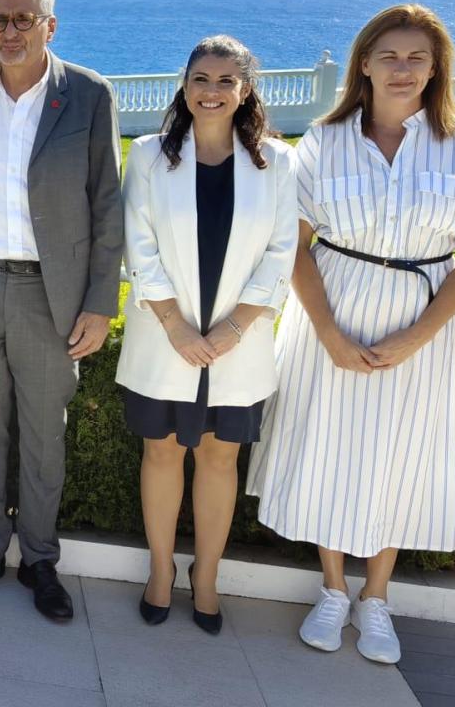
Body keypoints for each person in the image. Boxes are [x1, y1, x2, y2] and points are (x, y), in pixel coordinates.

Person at [246, 4, 455, 664]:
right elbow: (294, 246)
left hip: (426, 321)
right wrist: (328, 332)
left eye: (418, 57)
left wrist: (418, 337)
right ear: (364, 62)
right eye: (389, 55)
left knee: (400, 455)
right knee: (329, 447)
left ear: (436, 67)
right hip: (331, 308)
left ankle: (377, 599)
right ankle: (333, 590)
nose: (403, 69)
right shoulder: (324, 141)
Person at [0, 0, 123, 619]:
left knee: (45, 435)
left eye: (22, 19)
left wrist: (101, 301)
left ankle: (39, 558)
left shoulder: (90, 95)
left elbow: (107, 204)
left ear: (50, 25)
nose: (9, 32)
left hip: (54, 294)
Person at [116, 36, 297, 633]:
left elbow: (281, 250)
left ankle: (208, 577)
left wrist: (233, 328)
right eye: (201, 78)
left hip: (237, 347)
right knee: (161, 452)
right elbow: (137, 245)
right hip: (164, 340)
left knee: (220, 459)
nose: (212, 91)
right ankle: (162, 572)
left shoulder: (276, 161)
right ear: (184, 85)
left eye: (226, 81)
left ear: (246, 90)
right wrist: (176, 326)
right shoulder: (146, 155)